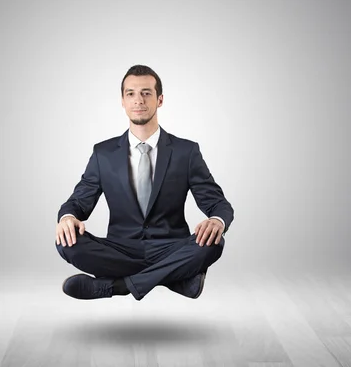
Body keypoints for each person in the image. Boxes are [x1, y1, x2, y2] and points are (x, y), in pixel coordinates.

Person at [55, 65, 234, 301]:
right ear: (122, 101)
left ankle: (116, 287)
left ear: (159, 100)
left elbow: (218, 204)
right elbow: (78, 202)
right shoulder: (103, 153)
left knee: (214, 243)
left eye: (146, 93)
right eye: (130, 93)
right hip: (120, 249)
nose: (138, 100)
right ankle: (176, 280)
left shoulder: (186, 151)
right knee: (67, 242)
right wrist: (67, 218)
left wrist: (216, 220)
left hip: (171, 247)